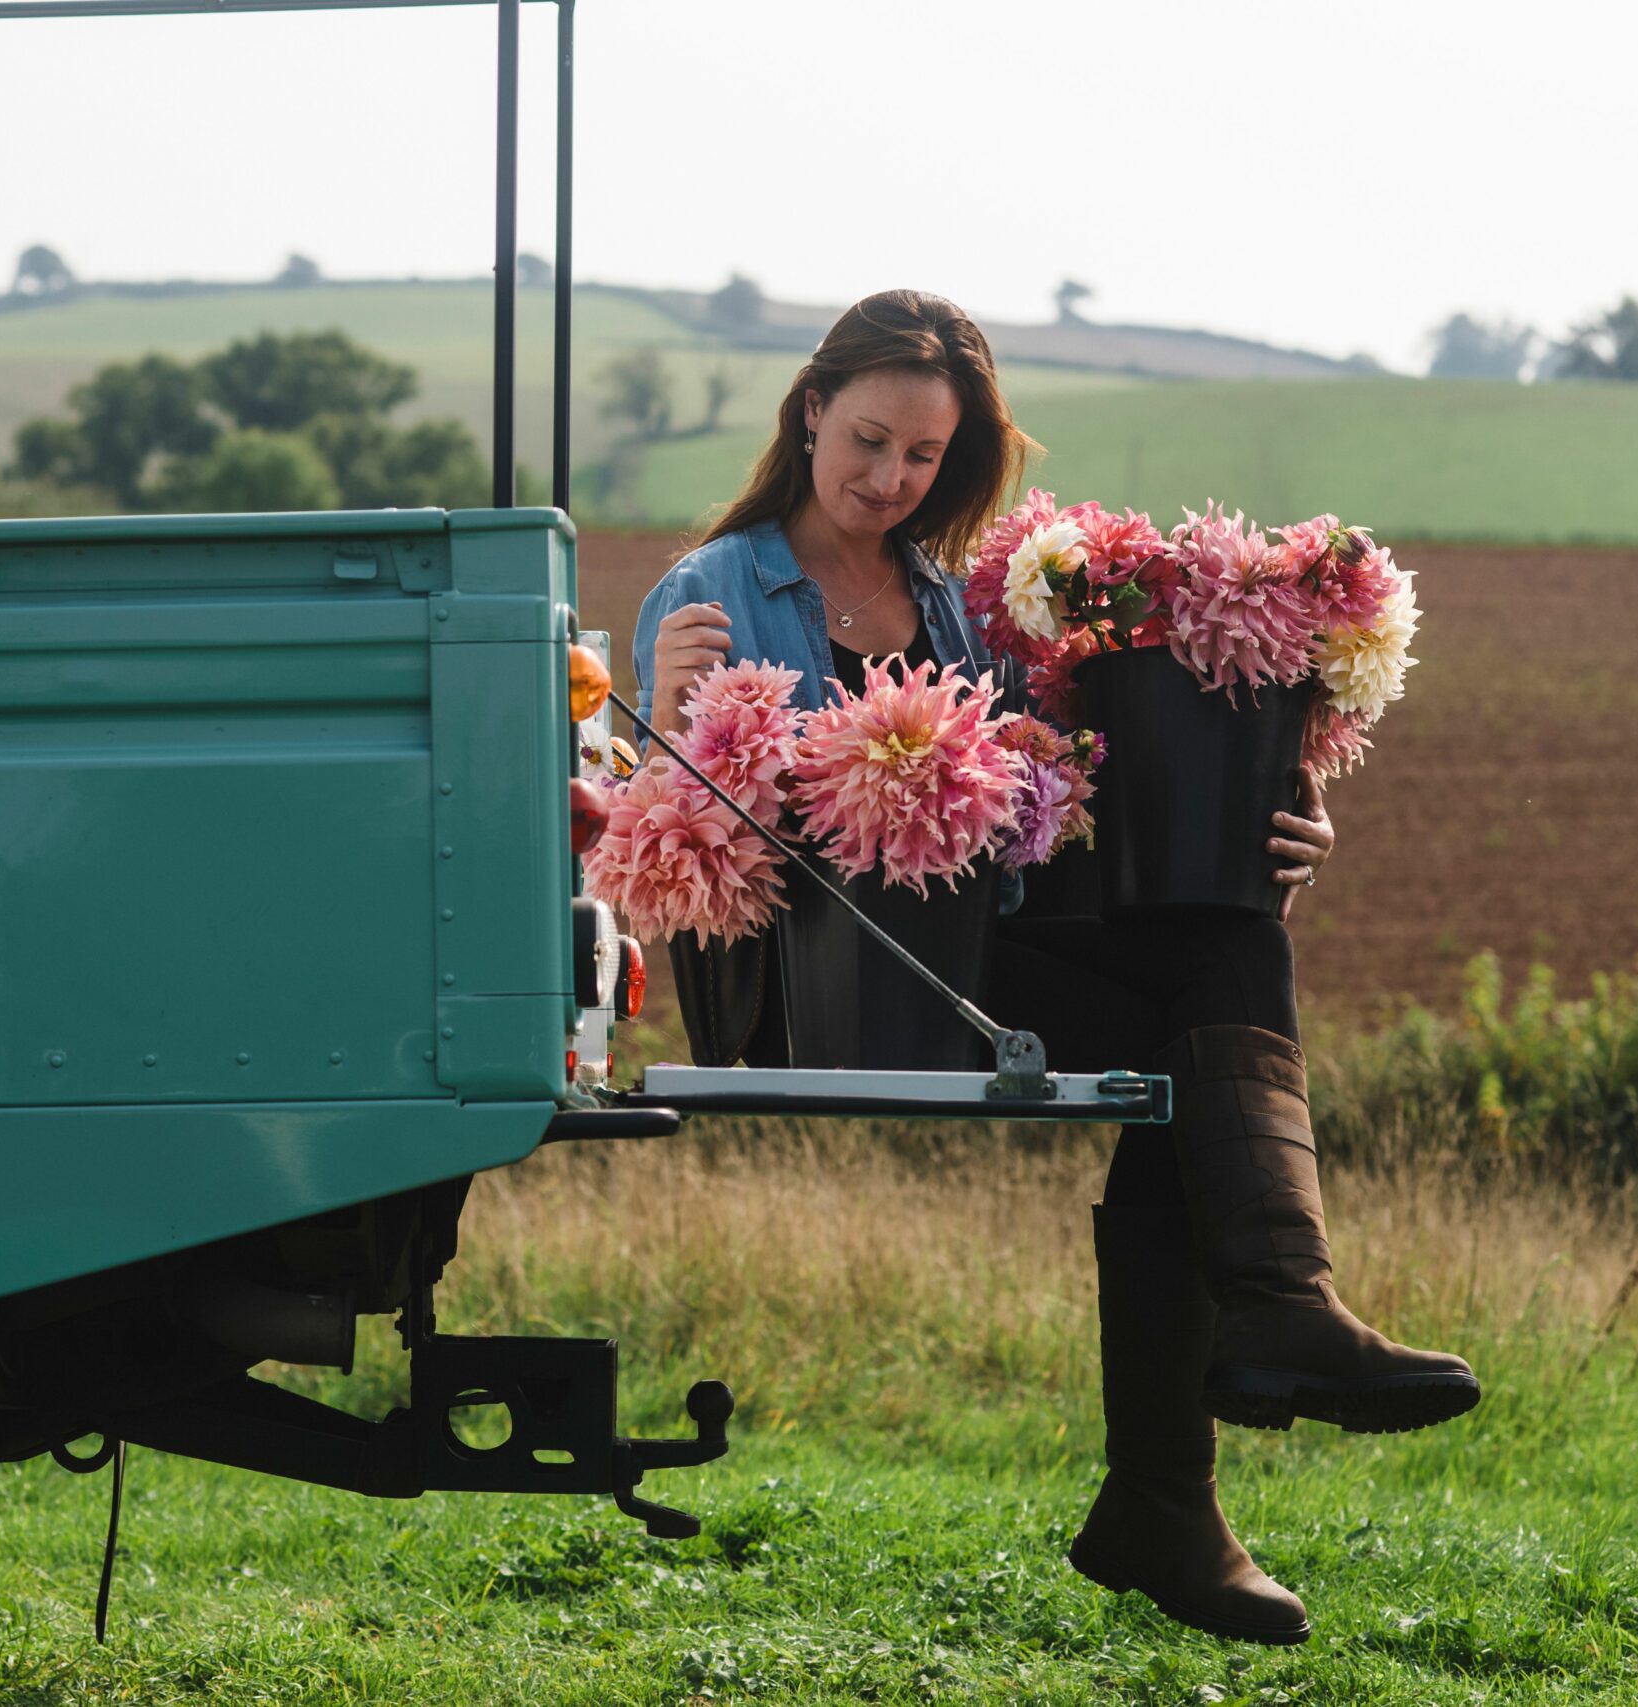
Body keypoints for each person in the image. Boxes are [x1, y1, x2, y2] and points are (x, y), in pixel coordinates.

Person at [628, 288, 1478, 1648]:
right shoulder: (713, 593)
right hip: (823, 978)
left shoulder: (947, 603)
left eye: (922, 458)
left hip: (968, 956)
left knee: (1220, 936)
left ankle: (1234, 1387)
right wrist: (671, 719)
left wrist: (1272, 817)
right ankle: (1227, 1394)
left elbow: (1047, 796)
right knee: (1191, 1041)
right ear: (807, 413)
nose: (889, 479)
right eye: (866, 441)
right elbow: (664, 840)